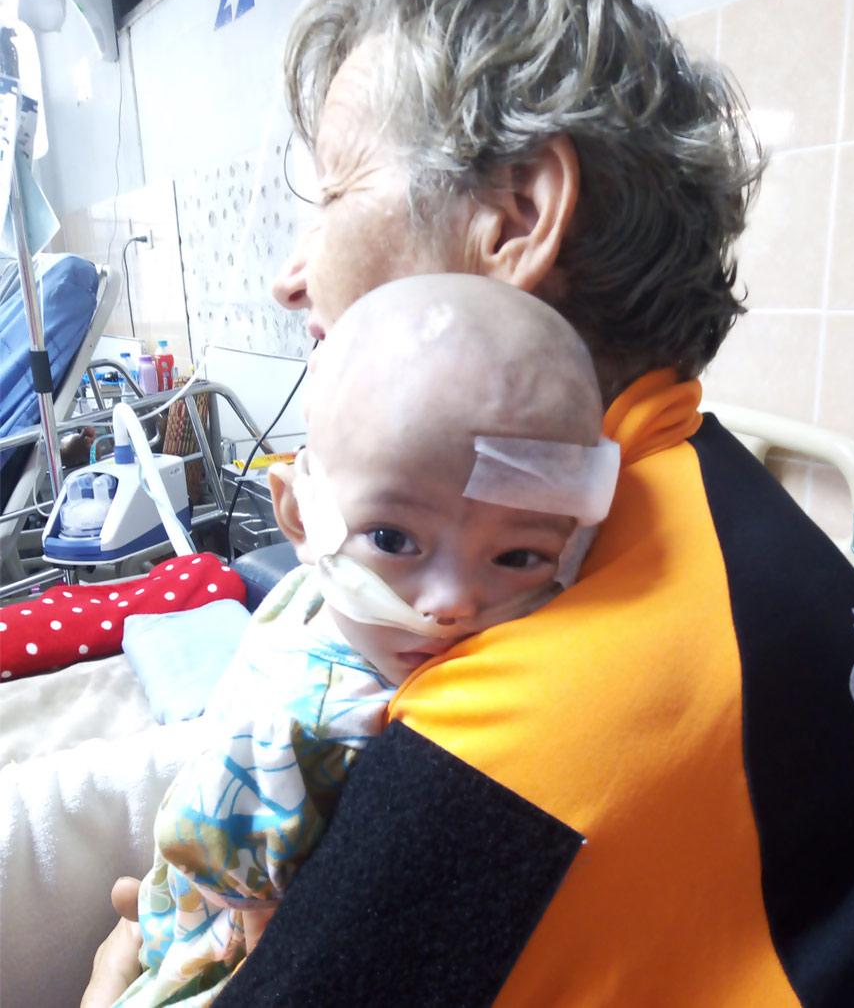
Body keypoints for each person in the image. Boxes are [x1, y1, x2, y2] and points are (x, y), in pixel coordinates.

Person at [83, 0, 854, 1007]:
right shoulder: (738, 513)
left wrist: (105, 980)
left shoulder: (515, 724)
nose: (290, 275)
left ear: (518, 216)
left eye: (337, 192)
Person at [115, 275, 615, 1007]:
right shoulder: (319, 717)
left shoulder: (309, 592)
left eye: (517, 556)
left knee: (169, 898)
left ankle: (153, 905)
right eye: (392, 538)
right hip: (241, 914)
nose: (450, 604)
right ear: (296, 516)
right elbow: (213, 848)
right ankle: (154, 923)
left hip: (215, 864)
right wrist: (239, 917)